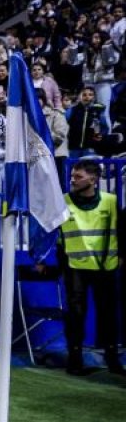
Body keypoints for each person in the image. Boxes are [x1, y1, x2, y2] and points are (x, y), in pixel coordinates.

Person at [56, 159, 123, 376]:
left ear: (93, 179)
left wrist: (121, 257)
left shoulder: (111, 201)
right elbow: (56, 236)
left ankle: (113, 362)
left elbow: (121, 231)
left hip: (106, 266)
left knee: (108, 314)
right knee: (75, 314)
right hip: (75, 265)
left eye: (78, 176)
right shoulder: (63, 201)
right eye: (72, 176)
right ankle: (74, 362)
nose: (72, 180)